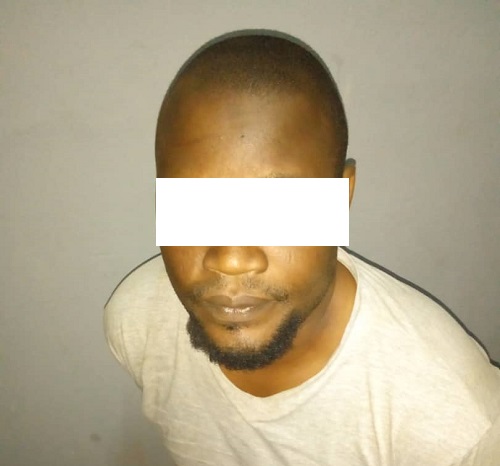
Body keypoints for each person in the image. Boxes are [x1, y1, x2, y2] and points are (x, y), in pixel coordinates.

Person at [104, 32, 500, 465]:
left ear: (342, 198)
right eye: (194, 204)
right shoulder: (138, 320)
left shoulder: (458, 424)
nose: (231, 259)